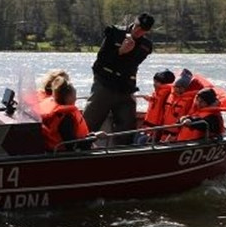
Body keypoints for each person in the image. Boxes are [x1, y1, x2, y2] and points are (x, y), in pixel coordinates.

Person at [82, 12, 155, 144]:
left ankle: (121, 153)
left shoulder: (145, 46)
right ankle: (79, 147)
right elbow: (101, 60)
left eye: (143, 30)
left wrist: (129, 52)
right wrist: (120, 51)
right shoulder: (114, 33)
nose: (138, 31)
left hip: (126, 88)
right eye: (138, 26)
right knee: (89, 122)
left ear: (147, 31)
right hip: (105, 84)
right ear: (134, 22)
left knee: (127, 127)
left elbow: (132, 64)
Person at [40, 76, 91, 151]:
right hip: (66, 154)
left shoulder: (56, 112)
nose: (75, 98)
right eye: (74, 96)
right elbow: (72, 144)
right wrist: (94, 137)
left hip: (52, 150)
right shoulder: (66, 117)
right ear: (68, 97)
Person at [137, 69, 175, 144]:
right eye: (154, 81)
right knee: (137, 137)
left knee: (140, 141)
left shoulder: (167, 94)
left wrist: (157, 133)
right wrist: (151, 99)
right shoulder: (158, 93)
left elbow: (164, 115)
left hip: (155, 130)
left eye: (157, 82)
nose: (154, 84)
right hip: (149, 128)